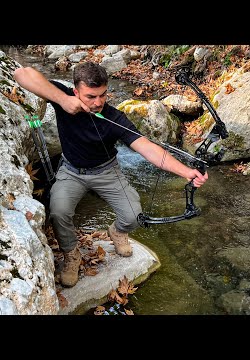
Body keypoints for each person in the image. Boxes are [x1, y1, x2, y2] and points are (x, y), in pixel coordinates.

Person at [14, 62, 208, 288]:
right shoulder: (64, 97)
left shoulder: (115, 118)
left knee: (134, 215)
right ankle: (71, 254)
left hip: (107, 171)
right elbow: (21, 73)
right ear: (76, 91)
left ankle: (116, 232)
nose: (98, 102)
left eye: (103, 95)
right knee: (58, 212)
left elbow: (148, 149)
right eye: (90, 96)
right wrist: (62, 100)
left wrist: (186, 172)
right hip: (71, 171)